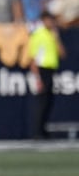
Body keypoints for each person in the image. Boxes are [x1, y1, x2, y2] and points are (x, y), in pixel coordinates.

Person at [28, 11, 66, 139]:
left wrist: (56, 38)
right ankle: (37, 131)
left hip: (51, 69)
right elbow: (32, 57)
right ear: (43, 21)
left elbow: (62, 54)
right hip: (42, 70)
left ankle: (43, 129)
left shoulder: (53, 34)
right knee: (41, 102)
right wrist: (37, 77)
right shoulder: (38, 34)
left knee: (49, 101)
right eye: (48, 20)